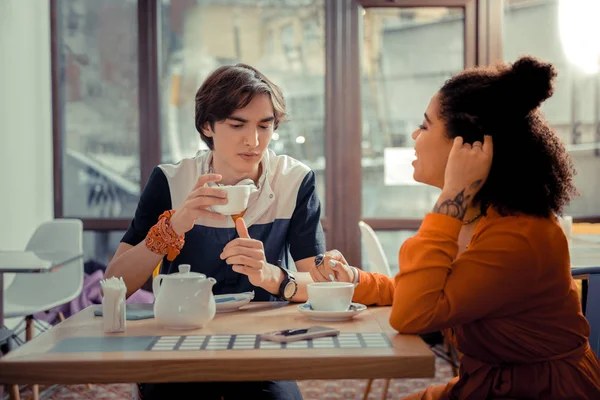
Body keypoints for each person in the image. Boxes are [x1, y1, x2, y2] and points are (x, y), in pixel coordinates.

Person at [310, 56, 600, 399]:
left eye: (426, 125)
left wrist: (451, 195)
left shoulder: (517, 235)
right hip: (489, 384)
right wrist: (357, 281)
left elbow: (414, 313)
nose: (415, 135)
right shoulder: (477, 216)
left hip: (541, 391)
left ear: (466, 146)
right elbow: (435, 292)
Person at [105, 63, 326, 399]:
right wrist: (174, 225)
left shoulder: (294, 182)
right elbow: (116, 281)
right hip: (178, 339)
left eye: (265, 126)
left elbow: (321, 283)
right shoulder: (171, 181)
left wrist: (273, 276)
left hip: (262, 344)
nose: (253, 141)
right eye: (238, 125)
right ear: (208, 125)